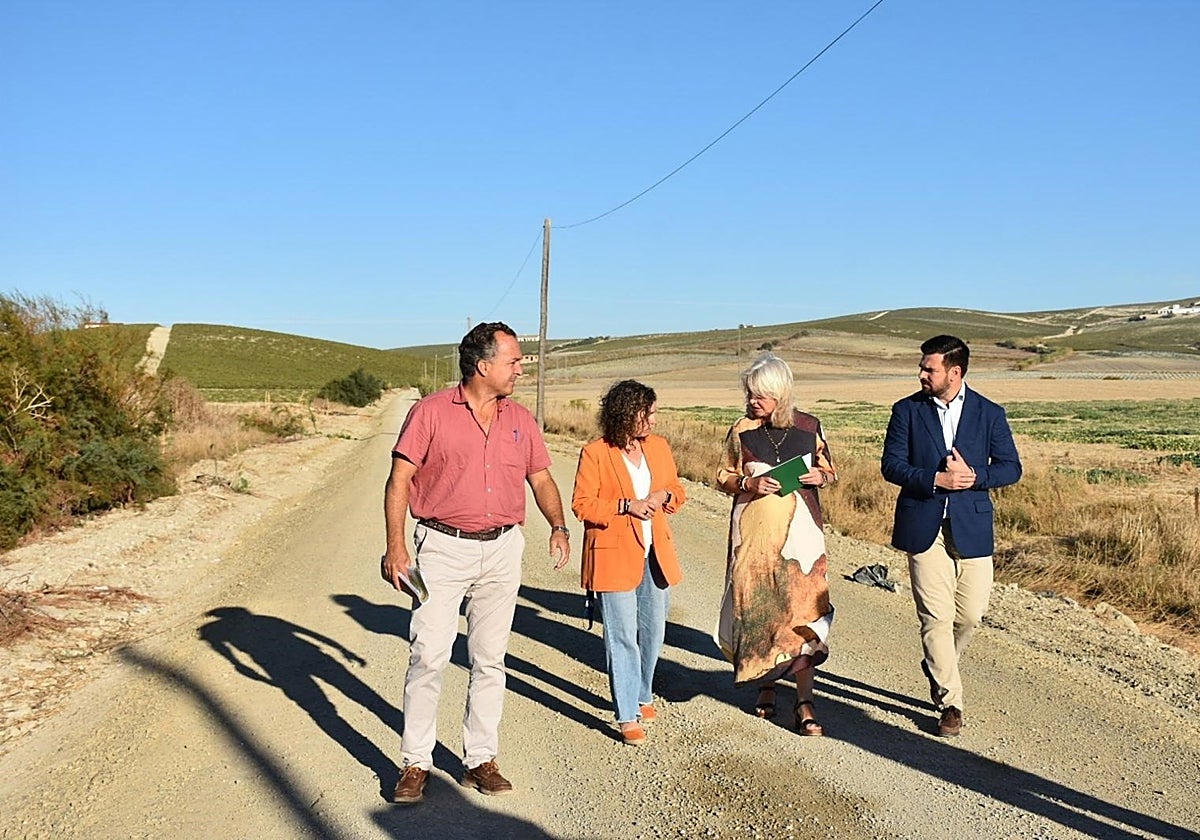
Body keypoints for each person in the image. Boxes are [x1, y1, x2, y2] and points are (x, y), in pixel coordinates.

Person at [382, 321, 571, 804]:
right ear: (483, 366)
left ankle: (479, 759)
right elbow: (399, 480)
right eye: (514, 361)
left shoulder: (519, 419)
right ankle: (416, 762)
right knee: (428, 655)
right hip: (441, 549)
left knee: (490, 659)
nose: (520, 370)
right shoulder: (430, 413)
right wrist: (396, 547)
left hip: (503, 549)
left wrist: (558, 525)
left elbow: (542, 478)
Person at [881, 334, 1021, 737]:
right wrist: (935, 478)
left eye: (930, 368)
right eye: (922, 367)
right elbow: (891, 466)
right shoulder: (906, 411)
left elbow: (1011, 468)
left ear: (954, 372)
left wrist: (976, 477)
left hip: (972, 525)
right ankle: (950, 702)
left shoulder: (989, 413)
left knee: (970, 616)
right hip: (923, 524)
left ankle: (938, 663)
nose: (921, 373)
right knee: (935, 618)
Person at [714, 353, 836, 736]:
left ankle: (804, 701)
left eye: (761, 395)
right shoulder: (741, 430)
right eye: (750, 394)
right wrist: (749, 484)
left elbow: (830, 470)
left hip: (804, 537)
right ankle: (765, 682)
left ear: (781, 394)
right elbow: (721, 475)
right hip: (753, 536)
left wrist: (820, 475)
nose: (753, 402)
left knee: (802, 614)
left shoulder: (809, 426)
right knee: (762, 607)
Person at [571, 380, 687, 746]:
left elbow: (678, 492)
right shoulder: (595, 453)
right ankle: (625, 713)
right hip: (612, 554)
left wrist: (664, 494)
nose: (653, 420)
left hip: (656, 552)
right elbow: (583, 504)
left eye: (653, 413)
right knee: (621, 637)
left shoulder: (659, 448)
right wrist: (626, 506)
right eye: (646, 413)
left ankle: (642, 691)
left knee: (653, 632)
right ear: (625, 414)